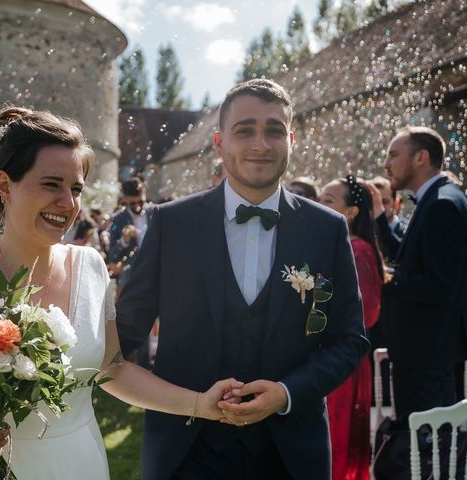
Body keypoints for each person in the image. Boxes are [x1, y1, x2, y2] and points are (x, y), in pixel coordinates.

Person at [0, 106, 242, 480]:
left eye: (76, 189)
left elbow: (112, 369)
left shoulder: (91, 267)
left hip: (77, 462)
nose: (67, 204)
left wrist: (201, 404)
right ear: (5, 186)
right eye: (51, 184)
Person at [116, 79, 369, 479]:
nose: (260, 144)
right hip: (186, 452)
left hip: (289, 453)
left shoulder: (327, 228)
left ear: (291, 139)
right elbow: (122, 335)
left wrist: (286, 394)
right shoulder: (171, 223)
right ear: (219, 141)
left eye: (273, 130)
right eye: (245, 129)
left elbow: (349, 339)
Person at [381, 126, 467, 421]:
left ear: (421, 157)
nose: (386, 164)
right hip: (427, 356)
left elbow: (441, 286)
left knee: (432, 453)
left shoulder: (442, 204)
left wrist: (387, 279)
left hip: (427, 357)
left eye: (394, 154)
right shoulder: (437, 199)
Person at [320, 175, 385, 480]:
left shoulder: (357, 250)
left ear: (352, 212)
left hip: (341, 360)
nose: (319, 206)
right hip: (330, 357)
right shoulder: (338, 245)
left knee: (337, 442)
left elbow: (367, 313)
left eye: (328, 201)